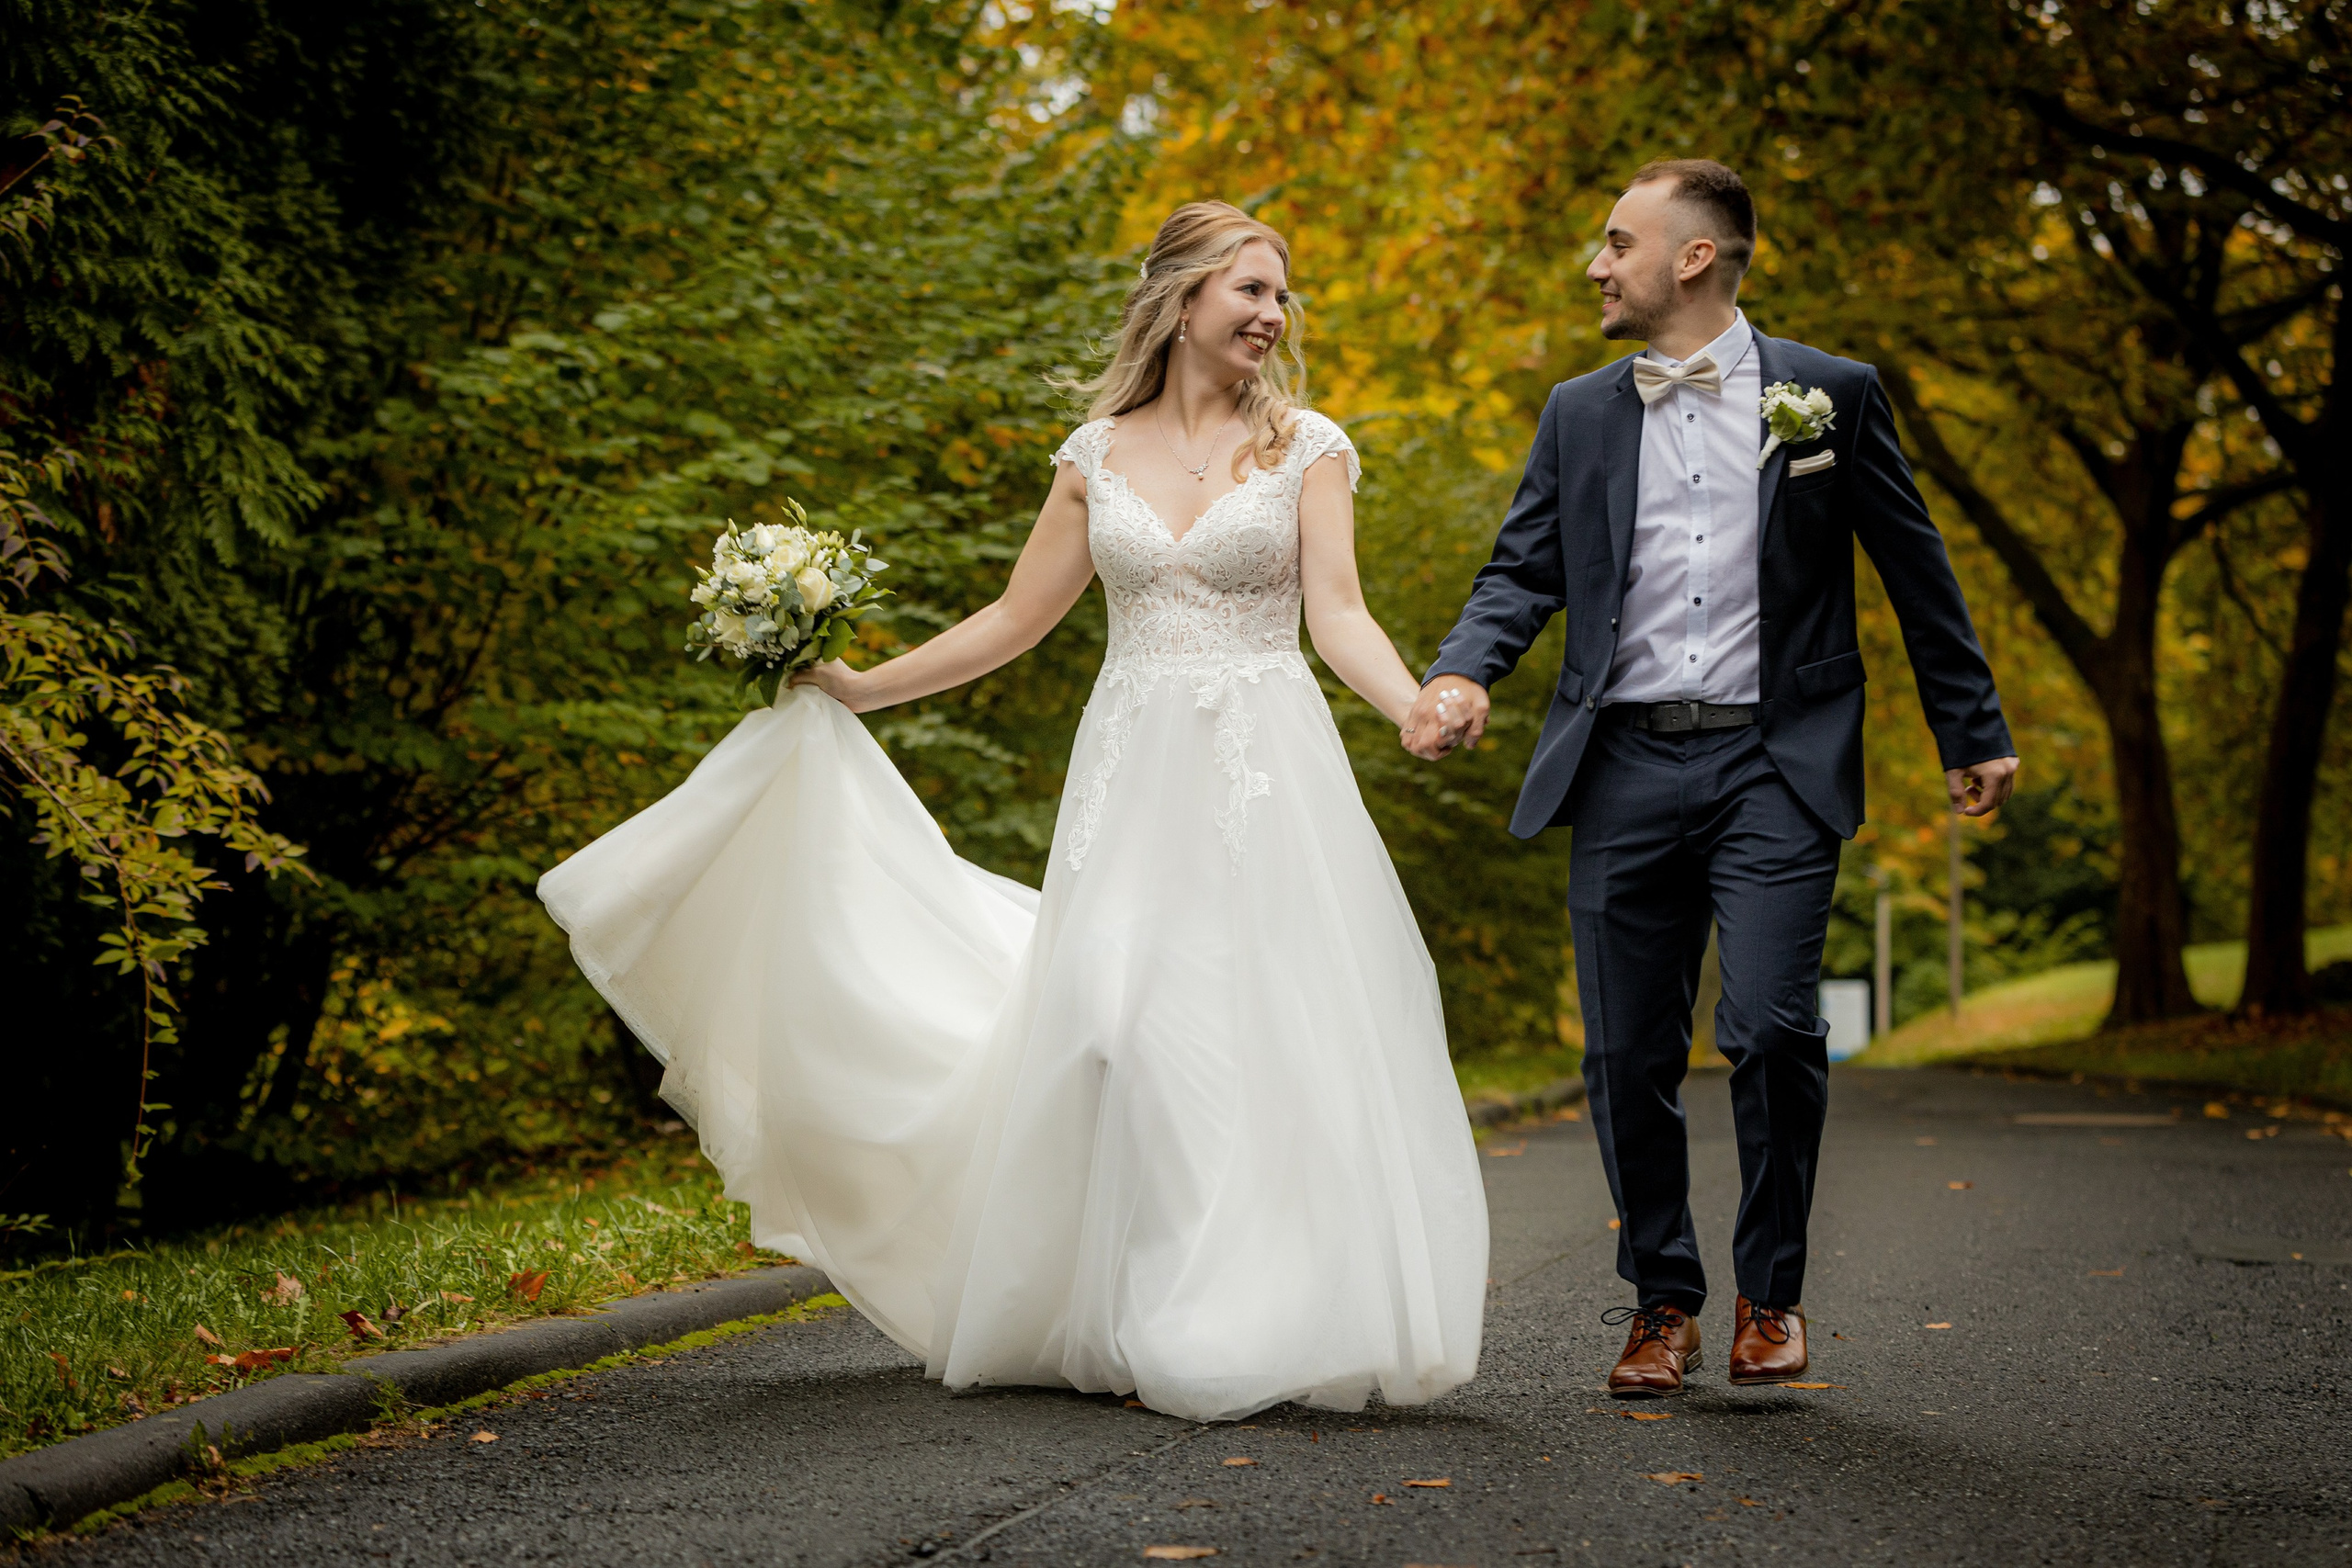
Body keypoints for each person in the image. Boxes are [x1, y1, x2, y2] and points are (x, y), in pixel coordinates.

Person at [539, 200, 1486, 1424]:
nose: (1273, 313)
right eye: (1251, 288)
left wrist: (1412, 703)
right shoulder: (1095, 453)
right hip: (1133, 774)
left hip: (1267, 770)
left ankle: (1228, 1317)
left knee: (1261, 1021)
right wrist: (865, 687)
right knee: (1116, 1023)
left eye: (1280, 293)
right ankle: (1138, 1299)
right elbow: (1014, 619)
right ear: (1185, 298)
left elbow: (1339, 612)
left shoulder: (1309, 446)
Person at [1400, 160, 2018, 1398]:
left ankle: (1772, 1298)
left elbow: (1914, 563)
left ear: (1694, 257)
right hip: (1620, 756)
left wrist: (1971, 726)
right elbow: (1521, 571)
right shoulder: (1579, 413)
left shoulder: (1829, 398)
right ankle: (1663, 1303)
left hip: (1772, 761)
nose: (1596, 264)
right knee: (1628, 1052)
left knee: (1776, 1025)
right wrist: (1465, 675)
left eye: (1617, 242)